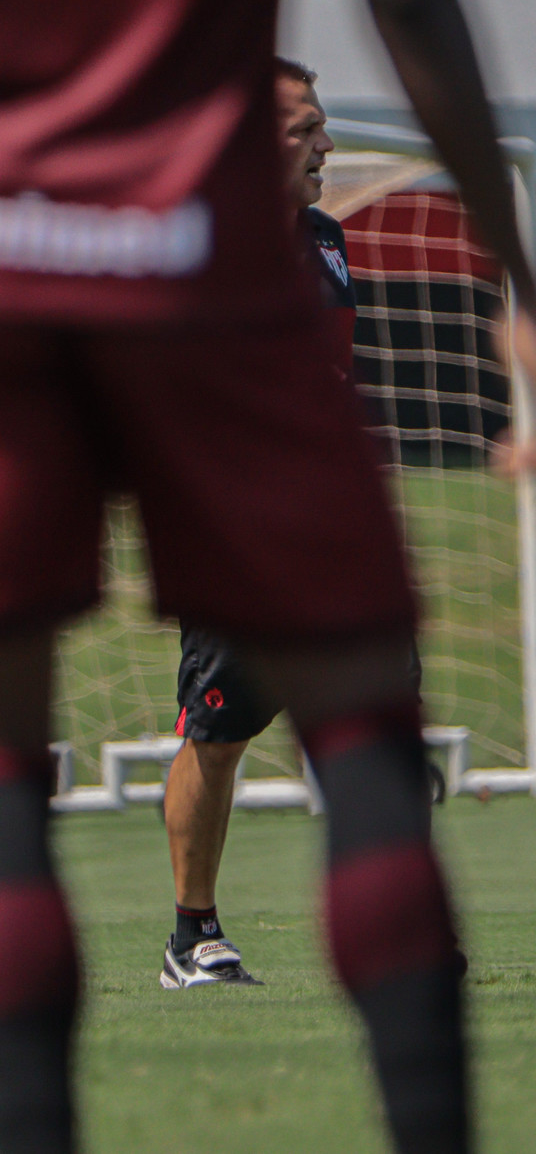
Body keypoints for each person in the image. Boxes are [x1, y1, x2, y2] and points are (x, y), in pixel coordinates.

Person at [0, 0, 536, 1151]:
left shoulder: (321, 234)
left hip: (24, 265)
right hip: (205, 279)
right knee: (369, 738)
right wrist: (526, 290)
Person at [158, 56, 385, 991]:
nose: (326, 145)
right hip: (232, 526)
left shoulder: (325, 240)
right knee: (219, 732)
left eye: (324, 128)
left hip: (326, 520)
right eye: (306, 131)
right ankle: (192, 937)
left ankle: (388, 928)